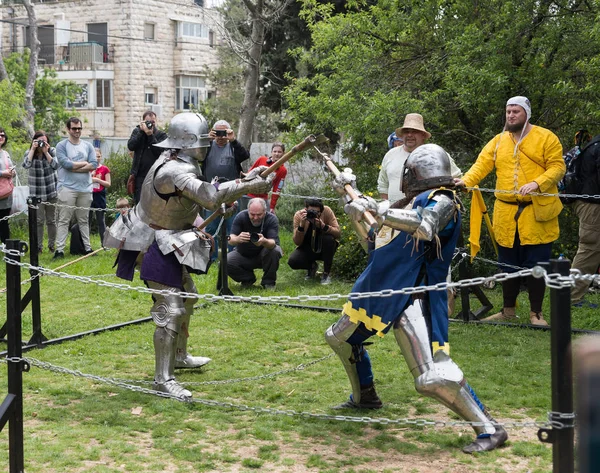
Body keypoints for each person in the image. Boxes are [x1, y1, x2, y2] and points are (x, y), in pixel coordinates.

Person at [326, 144, 507, 454]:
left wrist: (379, 209)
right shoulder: (407, 203)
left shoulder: (444, 201)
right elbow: (374, 243)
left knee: (431, 377)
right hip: (380, 290)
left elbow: (425, 227)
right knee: (339, 337)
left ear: (415, 174)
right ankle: (365, 396)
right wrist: (351, 198)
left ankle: (489, 429)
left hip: (415, 294)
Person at [104, 112, 273, 399]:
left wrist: (224, 200)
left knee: (189, 296)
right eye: (203, 140)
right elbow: (207, 195)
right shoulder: (173, 170)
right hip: (152, 241)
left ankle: (179, 356)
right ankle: (162, 379)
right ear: (188, 141)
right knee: (170, 306)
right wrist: (247, 186)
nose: (208, 146)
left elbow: (187, 203)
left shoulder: (180, 161)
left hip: (168, 235)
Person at [455, 96, 565, 326]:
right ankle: (508, 311)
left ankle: (536, 313)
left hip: (537, 212)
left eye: (516, 111)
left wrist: (537, 183)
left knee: (537, 264)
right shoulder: (497, 141)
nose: (511, 115)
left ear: (526, 113)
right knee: (506, 263)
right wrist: (465, 182)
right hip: (505, 214)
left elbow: (558, 167)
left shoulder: (546, 137)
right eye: (508, 111)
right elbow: (481, 165)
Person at [378, 113, 462, 204]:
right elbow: (383, 186)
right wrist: (386, 211)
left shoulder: (436, 154)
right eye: (406, 131)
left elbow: (457, 180)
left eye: (414, 131)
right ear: (402, 135)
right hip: (393, 214)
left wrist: (461, 183)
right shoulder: (390, 155)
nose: (410, 135)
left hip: (426, 215)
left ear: (423, 135)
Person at [201, 120, 251, 258]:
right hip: (211, 192)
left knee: (232, 225)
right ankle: (211, 257)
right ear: (213, 132)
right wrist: (207, 139)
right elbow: (196, 156)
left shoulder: (233, 147)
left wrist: (233, 140)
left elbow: (245, 155)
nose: (221, 136)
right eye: (218, 133)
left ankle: (232, 257)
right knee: (211, 226)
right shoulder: (208, 146)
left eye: (224, 133)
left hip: (232, 193)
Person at [53, 117, 98, 259]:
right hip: (67, 188)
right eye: (74, 128)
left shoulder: (88, 146)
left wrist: (75, 166)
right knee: (64, 220)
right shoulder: (61, 145)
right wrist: (83, 164)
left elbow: (94, 164)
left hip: (85, 188)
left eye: (79, 128)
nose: (77, 131)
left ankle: (88, 248)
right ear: (68, 129)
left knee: (84, 220)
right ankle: (59, 250)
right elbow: (66, 165)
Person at [567, 132, 600, 307]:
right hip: (592, 205)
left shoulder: (594, 143)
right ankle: (571, 297)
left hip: (589, 201)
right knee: (589, 249)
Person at [227, 198, 282, 289]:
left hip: (264, 256)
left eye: (259, 214)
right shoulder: (241, 216)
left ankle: (269, 282)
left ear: (265, 211)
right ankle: (247, 278)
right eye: (252, 214)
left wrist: (264, 241)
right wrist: (238, 238)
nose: (255, 218)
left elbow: (273, 243)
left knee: (275, 251)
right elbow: (230, 239)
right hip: (243, 254)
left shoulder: (271, 219)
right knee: (225, 261)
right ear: (248, 211)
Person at [288, 198, 340, 285]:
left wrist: (323, 226)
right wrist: (301, 225)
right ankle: (312, 267)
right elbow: (297, 242)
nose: (313, 214)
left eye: (317, 212)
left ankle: (326, 273)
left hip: (325, 246)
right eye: (311, 211)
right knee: (293, 261)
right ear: (306, 209)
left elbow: (338, 233)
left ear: (321, 211)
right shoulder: (299, 215)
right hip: (306, 246)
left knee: (329, 239)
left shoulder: (327, 211)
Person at [22, 130, 58, 253]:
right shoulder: (29, 152)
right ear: (34, 141)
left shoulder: (52, 151)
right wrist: (33, 149)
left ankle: (52, 245)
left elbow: (56, 165)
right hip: (36, 193)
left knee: (51, 220)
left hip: (51, 191)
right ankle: (38, 246)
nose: (42, 143)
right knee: (38, 221)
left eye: (44, 141)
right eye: (40, 141)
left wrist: (46, 152)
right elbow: (26, 165)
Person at [127, 110, 167, 204]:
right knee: (140, 203)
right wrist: (141, 132)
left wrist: (150, 135)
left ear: (156, 121)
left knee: (153, 204)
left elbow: (161, 152)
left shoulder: (161, 135)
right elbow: (131, 146)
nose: (151, 125)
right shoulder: (137, 131)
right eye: (148, 122)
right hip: (139, 175)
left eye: (153, 122)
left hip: (156, 176)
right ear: (143, 122)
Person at [246, 142, 287, 215]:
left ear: (283, 153)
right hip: (248, 195)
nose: (277, 154)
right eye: (275, 151)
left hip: (263, 197)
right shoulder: (262, 159)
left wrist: (272, 207)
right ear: (271, 152)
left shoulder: (283, 170)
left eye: (279, 152)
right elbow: (249, 173)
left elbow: (277, 189)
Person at [90, 148, 111, 245]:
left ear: (101, 157)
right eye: (95, 156)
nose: (97, 158)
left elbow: (108, 183)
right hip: (89, 195)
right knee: (87, 220)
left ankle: (104, 243)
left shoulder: (105, 169)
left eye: (98, 156)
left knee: (101, 221)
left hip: (100, 196)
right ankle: (86, 244)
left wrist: (98, 180)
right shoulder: (88, 167)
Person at [0, 128, 16, 243]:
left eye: (2, 135)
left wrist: (12, 172)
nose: (1, 137)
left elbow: (10, 169)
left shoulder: (5, 153)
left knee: (4, 222)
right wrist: (2, 173)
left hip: (5, 194)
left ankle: (7, 249)